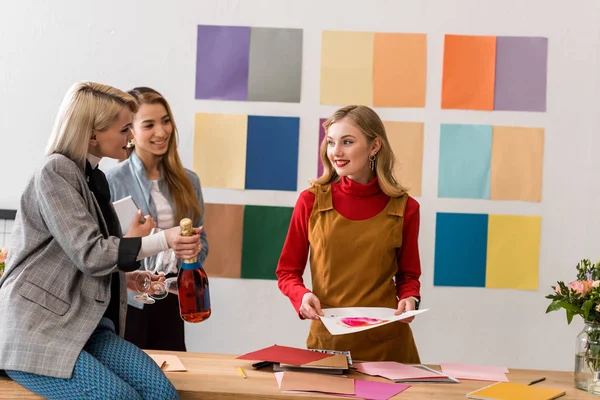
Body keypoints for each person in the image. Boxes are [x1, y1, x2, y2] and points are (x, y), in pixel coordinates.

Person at [0, 81, 203, 399]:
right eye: (126, 129)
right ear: (92, 134)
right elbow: (90, 253)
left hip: (86, 327)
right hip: (39, 333)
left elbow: (84, 256)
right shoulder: (55, 172)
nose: (132, 137)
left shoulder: (90, 177)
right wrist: (164, 239)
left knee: (162, 393)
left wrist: (129, 277)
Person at [276, 105, 422, 363]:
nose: (336, 152)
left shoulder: (406, 207)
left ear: (374, 146)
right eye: (331, 142)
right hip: (329, 345)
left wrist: (410, 297)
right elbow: (287, 272)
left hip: (389, 347)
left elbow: (408, 274)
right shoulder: (310, 202)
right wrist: (301, 296)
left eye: (347, 142)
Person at [106, 86, 208, 352]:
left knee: (174, 379)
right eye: (149, 124)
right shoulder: (111, 181)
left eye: (165, 121)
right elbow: (104, 249)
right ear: (130, 131)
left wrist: (193, 249)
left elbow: (202, 243)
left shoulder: (189, 181)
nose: (161, 132)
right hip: (129, 302)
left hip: (173, 299)